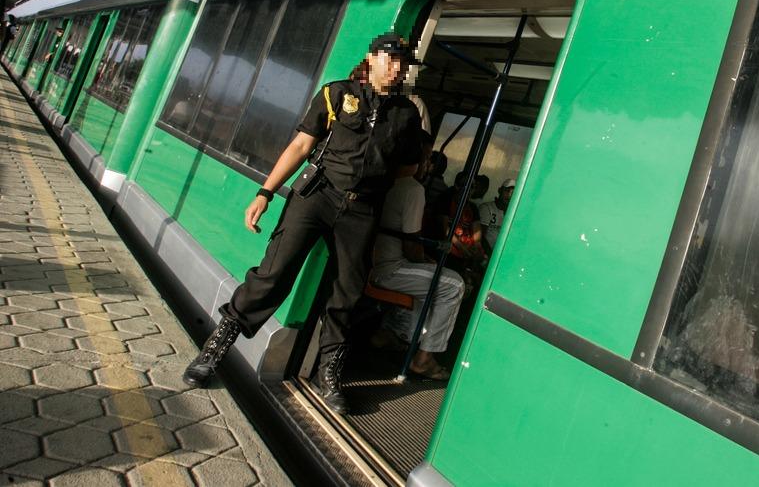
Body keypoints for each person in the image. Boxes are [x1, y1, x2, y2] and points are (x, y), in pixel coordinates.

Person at [182, 32, 423, 413]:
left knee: (346, 293)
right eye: (389, 59)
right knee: (273, 275)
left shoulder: (407, 115)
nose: (396, 69)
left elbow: (409, 164)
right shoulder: (335, 94)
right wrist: (265, 193)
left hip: (361, 210)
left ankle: (330, 376)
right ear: (372, 58)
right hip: (316, 197)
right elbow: (300, 146)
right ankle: (214, 351)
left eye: (402, 63)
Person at [370, 143, 464, 380]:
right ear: (420, 161)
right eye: (427, 159)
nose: (429, 165)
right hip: (390, 270)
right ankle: (424, 359)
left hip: (372, 264)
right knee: (454, 285)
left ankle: (391, 333)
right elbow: (411, 247)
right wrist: (426, 260)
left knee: (431, 278)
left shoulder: (382, 179)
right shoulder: (412, 189)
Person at [478, 178, 514, 254]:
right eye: (507, 191)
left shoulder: (512, 214)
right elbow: (481, 236)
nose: (509, 195)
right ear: (499, 190)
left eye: (513, 193)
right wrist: (490, 256)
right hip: (485, 254)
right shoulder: (487, 207)